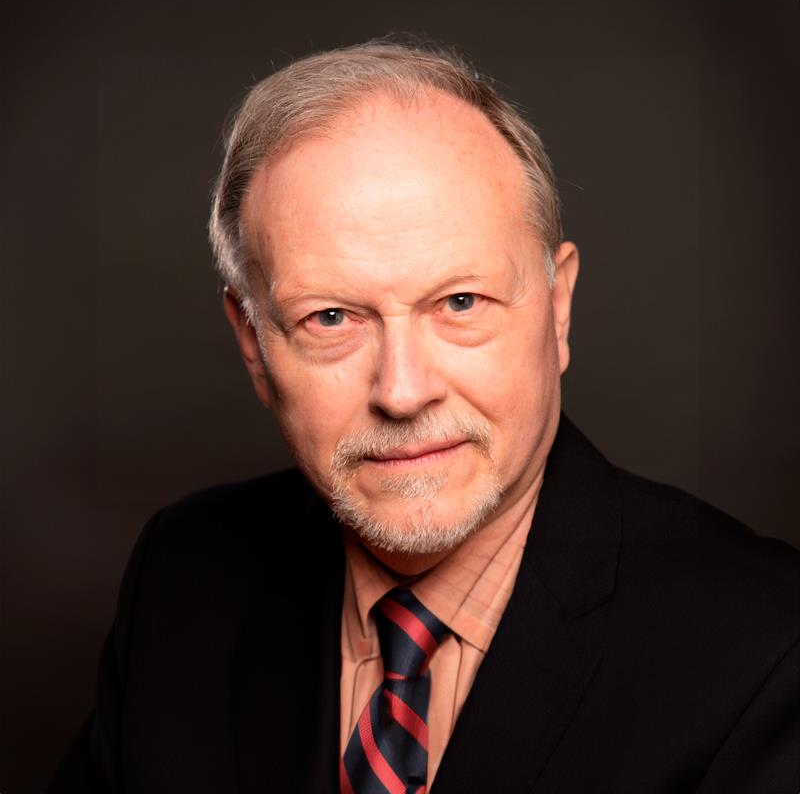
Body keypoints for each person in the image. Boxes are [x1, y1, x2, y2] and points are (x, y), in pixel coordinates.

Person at [50, 39, 799, 794]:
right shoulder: (183, 579)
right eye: (331, 317)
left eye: (460, 302)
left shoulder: (766, 648)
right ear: (253, 346)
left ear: (558, 307)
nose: (403, 392)